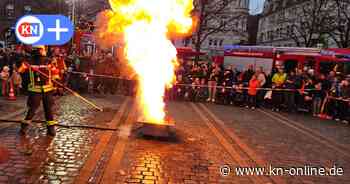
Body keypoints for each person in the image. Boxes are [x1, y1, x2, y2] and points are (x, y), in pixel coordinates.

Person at [18, 45, 57, 136]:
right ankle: (51, 130)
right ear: (40, 50)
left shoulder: (29, 61)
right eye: (43, 50)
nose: (45, 51)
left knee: (32, 110)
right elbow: (55, 74)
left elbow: (20, 71)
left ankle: (24, 127)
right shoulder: (49, 61)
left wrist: (24, 64)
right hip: (46, 90)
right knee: (48, 110)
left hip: (35, 91)